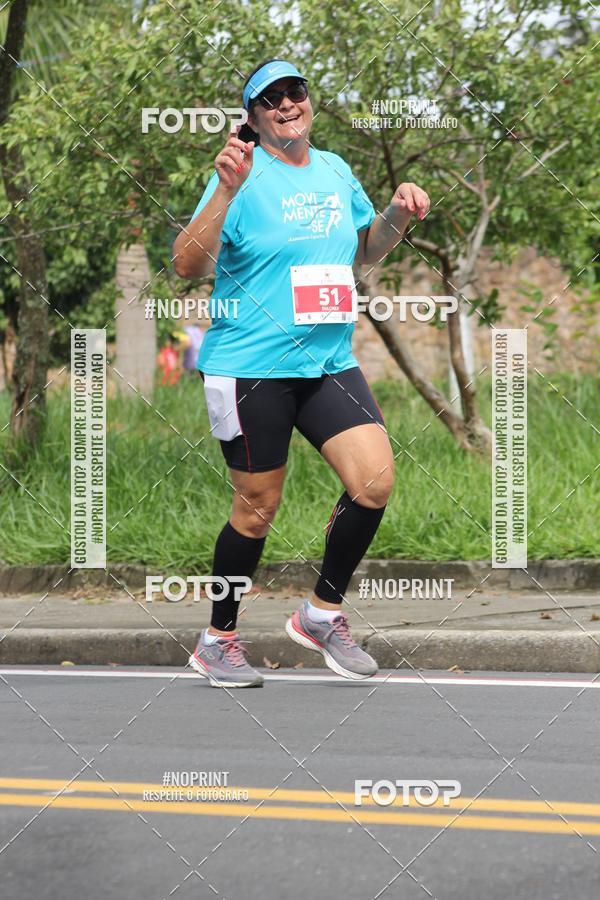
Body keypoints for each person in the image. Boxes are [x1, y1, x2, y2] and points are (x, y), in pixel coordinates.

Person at [173, 58, 429, 687]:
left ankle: (321, 614)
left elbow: (364, 248)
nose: (288, 104)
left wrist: (396, 213)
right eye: (271, 99)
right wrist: (227, 190)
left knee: (373, 483)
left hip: (327, 363)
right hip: (250, 367)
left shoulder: (336, 170)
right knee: (257, 507)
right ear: (254, 118)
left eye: (295, 92)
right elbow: (185, 263)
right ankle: (217, 637)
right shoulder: (240, 174)